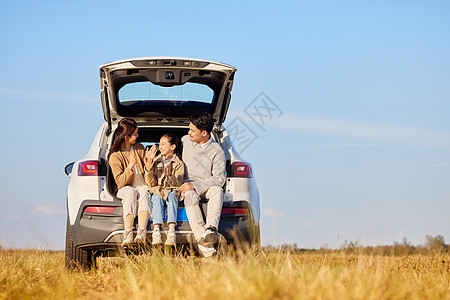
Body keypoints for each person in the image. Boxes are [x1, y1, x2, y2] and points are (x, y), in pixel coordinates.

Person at [179, 112, 226, 257]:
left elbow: (219, 179)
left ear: (204, 133)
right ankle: (203, 241)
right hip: (187, 187)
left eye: (192, 130)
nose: (189, 132)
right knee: (189, 194)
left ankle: (211, 229)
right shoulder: (185, 141)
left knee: (217, 190)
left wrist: (197, 185)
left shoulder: (217, 151)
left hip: (205, 186)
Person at [108, 118, 150, 248]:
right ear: (126, 137)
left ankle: (141, 233)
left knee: (144, 191)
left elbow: (147, 175)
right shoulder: (115, 156)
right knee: (130, 192)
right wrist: (130, 166)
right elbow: (120, 182)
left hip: (142, 185)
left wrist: (149, 165)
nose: (138, 136)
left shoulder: (139, 148)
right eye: (135, 134)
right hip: (125, 188)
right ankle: (128, 234)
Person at [144, 133, 185, 247]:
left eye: (163, 144)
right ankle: (156, 230)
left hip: (172, 189)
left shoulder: (179, 163)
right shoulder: (156, 161)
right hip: (159, 190)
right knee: (156, 197)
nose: (160, 147)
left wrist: (170, 176)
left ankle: (172, 232)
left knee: (172, 196)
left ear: (172, 147)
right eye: (159, 144)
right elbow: (151, 183)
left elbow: (179, 181)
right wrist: (149, 167)